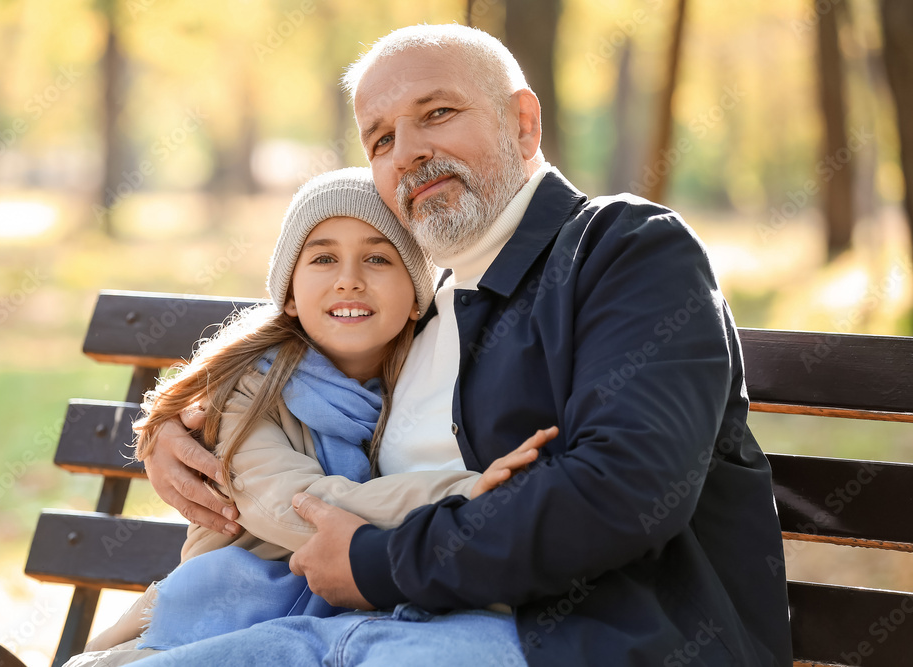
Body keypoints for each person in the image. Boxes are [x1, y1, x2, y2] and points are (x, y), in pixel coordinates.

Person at [137, 24, 792, 667]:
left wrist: (376, 560)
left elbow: (623, 490)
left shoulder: (624, 250)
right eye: (382, 138)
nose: (408, 152)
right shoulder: (420, 309)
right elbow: (291, 383)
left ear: (524, 123)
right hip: (362, 630)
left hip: (580, 641)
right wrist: (176, 424)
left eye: (438, 113)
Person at [66, 167, 554, 666]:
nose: (349, 279)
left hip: (367, 626)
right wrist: (464, 495)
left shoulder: (425, 381)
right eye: (323, 257)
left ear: (415, 297)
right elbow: (298, 507)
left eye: (378, 258)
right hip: (229, 617)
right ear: (291, 295)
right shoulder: (243, 394)